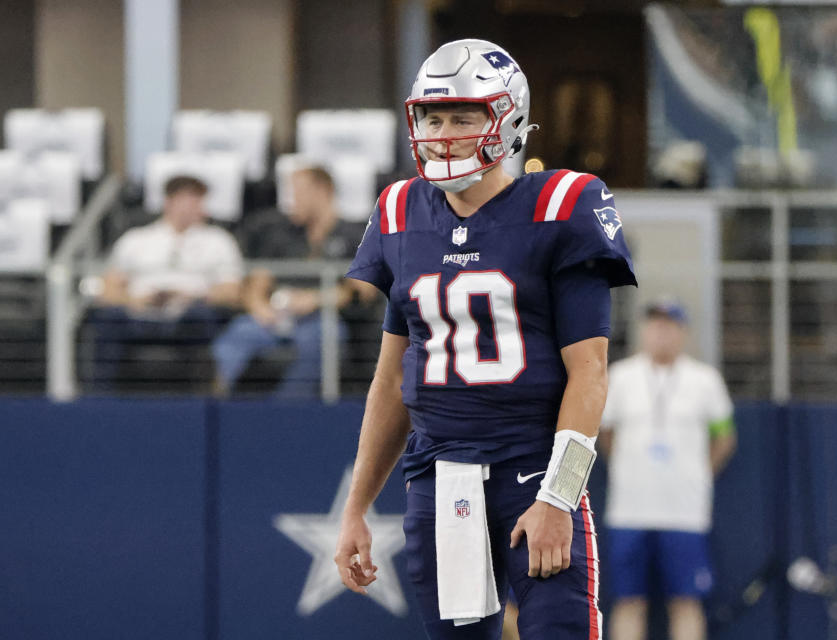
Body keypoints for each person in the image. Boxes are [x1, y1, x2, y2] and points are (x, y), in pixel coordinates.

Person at [333, 39, 636, 640]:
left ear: (509, 119)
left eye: (464, 116)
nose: (444, 133)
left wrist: (559, 496)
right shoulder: (400, 211)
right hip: (440, 477)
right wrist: (356, 506)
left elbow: (591, 373)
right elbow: (392, 378)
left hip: (532, 470)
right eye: (433, 117)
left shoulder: (562, 204)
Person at [599, 298, 737, 640]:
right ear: (644, 331)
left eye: (669, 326)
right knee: (628, 601)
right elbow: (605, 433)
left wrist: (700, 473)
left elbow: (724, 437)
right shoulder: (620, 376)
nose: (661, 333)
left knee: (686, 602)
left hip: (684, 512)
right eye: (655, 325)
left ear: (683, 332)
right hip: (630, 511)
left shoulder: (705, 380)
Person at [211, 165, 375, 398]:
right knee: (237, 335)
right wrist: (260, 308)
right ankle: (221, 408)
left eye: (298, 193)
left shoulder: (355, 234)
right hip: (277, 317)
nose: (291, 201)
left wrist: (316, 299)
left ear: (322, 191)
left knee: (324, 337)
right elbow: (257, 283)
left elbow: (364, 290)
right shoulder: (281, 235)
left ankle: (287, 409)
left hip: (323, 318)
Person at [88, 175, 243, 391]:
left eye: (198, 200)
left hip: (189, 315)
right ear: (168, 202)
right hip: (139, 314)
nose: (194, 207)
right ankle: (99, 405)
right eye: (187, 199)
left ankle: (201, 403)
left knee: (202, 318)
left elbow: (232, 292)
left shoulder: (219, 241)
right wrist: (133, 300)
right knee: (108, 319)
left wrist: (192, 297)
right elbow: (108, 290)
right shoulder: (136, 240)